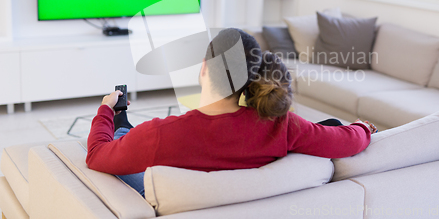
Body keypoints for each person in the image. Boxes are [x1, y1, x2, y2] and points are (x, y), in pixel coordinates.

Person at [86, 29, 376, 197]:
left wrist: (104, 110)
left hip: (167, 194)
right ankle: (123, 126)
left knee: (125, 134)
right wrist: (362, 127)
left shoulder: (161, 134)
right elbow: (347, 140)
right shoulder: (282, 126)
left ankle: (120, 123)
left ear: (203, 68)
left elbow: (96, 155)